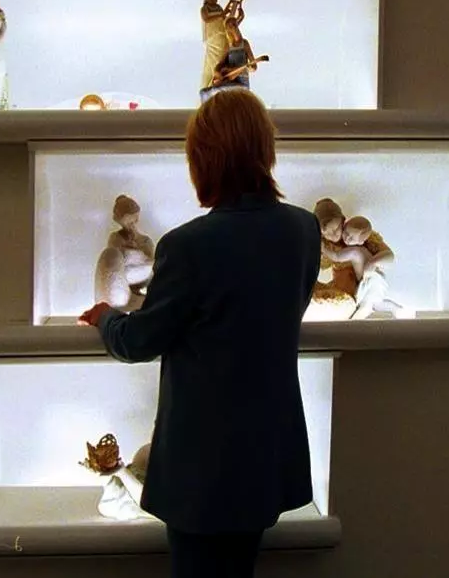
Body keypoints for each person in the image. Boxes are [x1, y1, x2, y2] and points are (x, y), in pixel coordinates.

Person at [78, 89, 321, 578]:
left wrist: (105, 316)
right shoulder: (303, 230)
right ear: (264, 150)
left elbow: (139, 341)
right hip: (267, 451)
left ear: (204, 160)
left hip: (202, 467)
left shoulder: (188, 246)